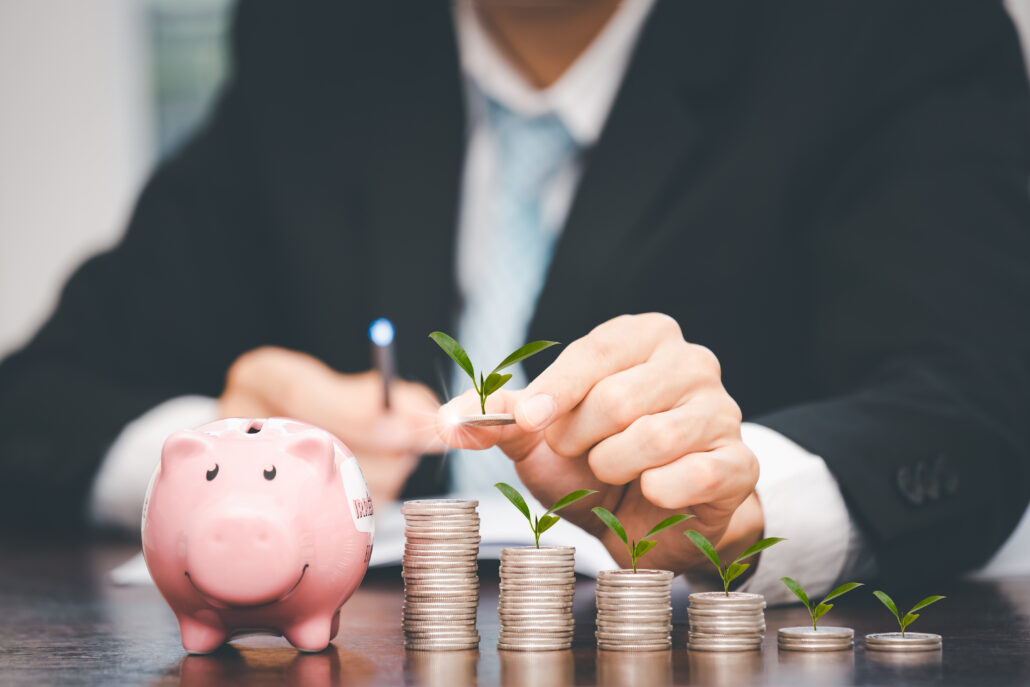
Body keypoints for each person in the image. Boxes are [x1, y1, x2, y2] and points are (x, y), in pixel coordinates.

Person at [1, 0, 1028, 605]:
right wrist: (230, 457)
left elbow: (967, 416)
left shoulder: (888, 32)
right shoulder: (318, 40)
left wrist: (743, 504)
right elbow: (35, 405)